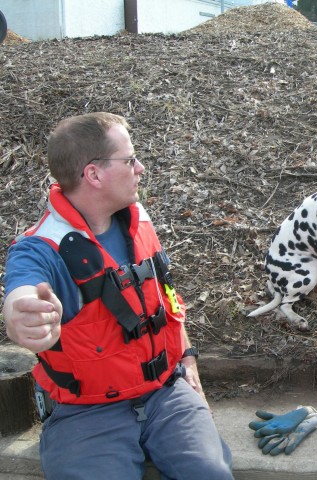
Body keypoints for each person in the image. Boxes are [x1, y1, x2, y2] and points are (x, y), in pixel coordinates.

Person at [2, 112, 234, 479]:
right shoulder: (40, 249)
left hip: (166, 394)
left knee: (211, 474)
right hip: (87, 413)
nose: (140, 167)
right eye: (129, 160)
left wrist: (187, 358)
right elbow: (22, 294)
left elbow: (167, 298)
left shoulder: (137, 219)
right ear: (93, 174)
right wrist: (21, 317)